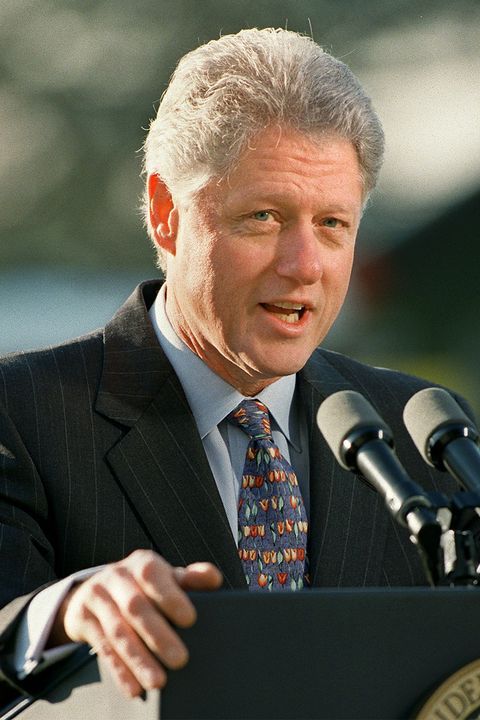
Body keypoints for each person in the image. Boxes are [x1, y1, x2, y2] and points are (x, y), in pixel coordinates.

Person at [0, 27, 473, 702]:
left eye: (332, 224)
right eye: (264, 216)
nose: (304, 265)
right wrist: (66, 611)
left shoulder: (421, 437)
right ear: (166, 213)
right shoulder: (21, 416)